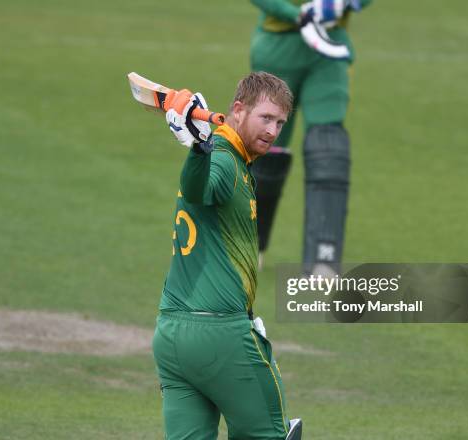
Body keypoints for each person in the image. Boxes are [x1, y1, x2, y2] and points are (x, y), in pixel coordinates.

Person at [152, 72, 303, 440]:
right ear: (238, 110)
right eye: (265, 118)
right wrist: (199, 150)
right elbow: (198, 188)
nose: (273, 130)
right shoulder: (223, 160)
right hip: (220, 334)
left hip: (172, 336)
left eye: (280, 123)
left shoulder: (231, 158)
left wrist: (201, 148)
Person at [249, 0, 374, 273]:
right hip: (277, 47)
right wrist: (298, 15)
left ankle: (323, 257)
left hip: (327, 49)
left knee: (328, 145)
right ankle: (248, 246)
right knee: (265, 147)